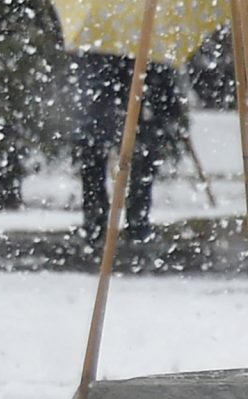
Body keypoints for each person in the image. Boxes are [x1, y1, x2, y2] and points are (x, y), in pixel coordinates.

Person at [71, 48, 185, 259]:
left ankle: (109, 223)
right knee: (104, 163)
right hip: (118, 103)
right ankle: (113, 223)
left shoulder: (111, 48)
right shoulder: (144, 47)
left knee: (119, 164)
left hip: (125, 102)